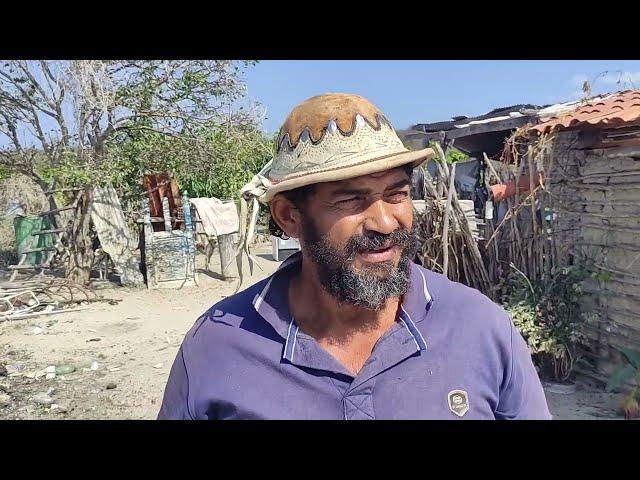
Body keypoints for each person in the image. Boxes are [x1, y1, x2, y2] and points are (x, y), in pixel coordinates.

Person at [158, 93, 551, 420]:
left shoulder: (481, 329)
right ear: (289, 217)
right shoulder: (218, 347)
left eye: (396, 194)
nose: (383, 221)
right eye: (351, 199)